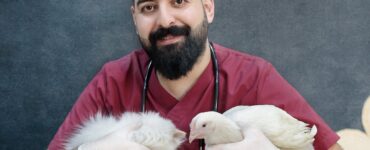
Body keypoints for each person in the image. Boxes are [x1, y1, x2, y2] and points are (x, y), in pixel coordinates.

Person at [48, 0, 343, 149]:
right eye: (149, 7)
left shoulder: (254, 78)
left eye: (179, 1)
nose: (165, 20)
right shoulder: (113, 81)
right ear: (135, 18)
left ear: (208, 7)